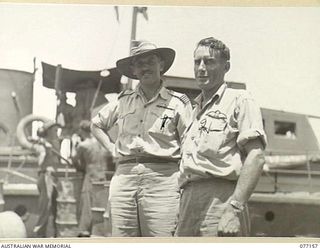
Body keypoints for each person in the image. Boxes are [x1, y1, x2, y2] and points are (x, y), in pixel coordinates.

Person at [91, 40, 192, 237]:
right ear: (134, 70)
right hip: (124, 177)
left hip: (163, 180)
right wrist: (112, 148)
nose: (145, 67)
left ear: (161, 65)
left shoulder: (178, 103)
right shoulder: (123, 100)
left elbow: (190, 144)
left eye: (150, 61)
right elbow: (96, 124)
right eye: (139, 63)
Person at [175, 37, 267, 237]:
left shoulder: (240, 100)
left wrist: (234, 209)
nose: (201, 68)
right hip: (188, 202)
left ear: (226, 66)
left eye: (209, 61)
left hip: (221, 202)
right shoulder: (192, 109)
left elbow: (256, 157)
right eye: (197, 61)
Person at [71, 120, 110, 236]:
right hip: (102, 176)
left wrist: (74, 144)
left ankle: (84, 230)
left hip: (90, 176)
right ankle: (98, 230)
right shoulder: (101, 143)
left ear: (82, 131)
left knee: (86, 204)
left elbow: (73, 158)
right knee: (99, 205)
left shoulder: (83, 145)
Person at [32, 120, 61, 237]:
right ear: (48, 131)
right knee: (45, 206)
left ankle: (55, 234)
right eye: (54, 130)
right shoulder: (41, 145)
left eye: (57, 130)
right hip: (45, 176)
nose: (56, 132)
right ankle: (39, 234)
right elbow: (40, 162)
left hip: (55, 177)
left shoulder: (56, 143)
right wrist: (45, 150)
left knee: (56, 206)